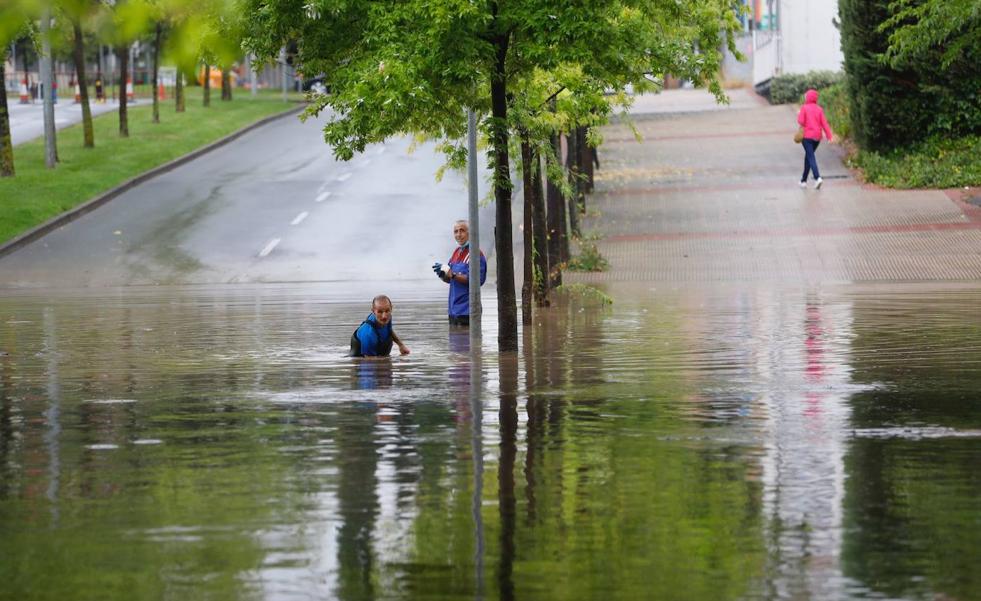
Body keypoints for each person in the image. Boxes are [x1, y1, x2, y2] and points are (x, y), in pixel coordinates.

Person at [432, 220, 487, 326]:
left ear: (469, 233)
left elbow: (476, 281)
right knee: (455, 341)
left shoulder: (475, 253)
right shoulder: (456, 253)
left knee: (467, 341)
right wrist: (443, 275)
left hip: (468, 310)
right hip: (453, 309)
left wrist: (452, 274)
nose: (458, 234)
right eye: (455, 231)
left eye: (462, 231)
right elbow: (451, 278)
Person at [797, 88, 834, 189]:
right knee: (808, 156)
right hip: (817, 138)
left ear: (807, 98)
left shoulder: (804, 108)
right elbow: (824, 124)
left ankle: (817, 178)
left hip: (807, 137)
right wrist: (829, 136)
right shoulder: (819, 109)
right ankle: (803, 180)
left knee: (810, 157)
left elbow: (801, 122)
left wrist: (799, 113)